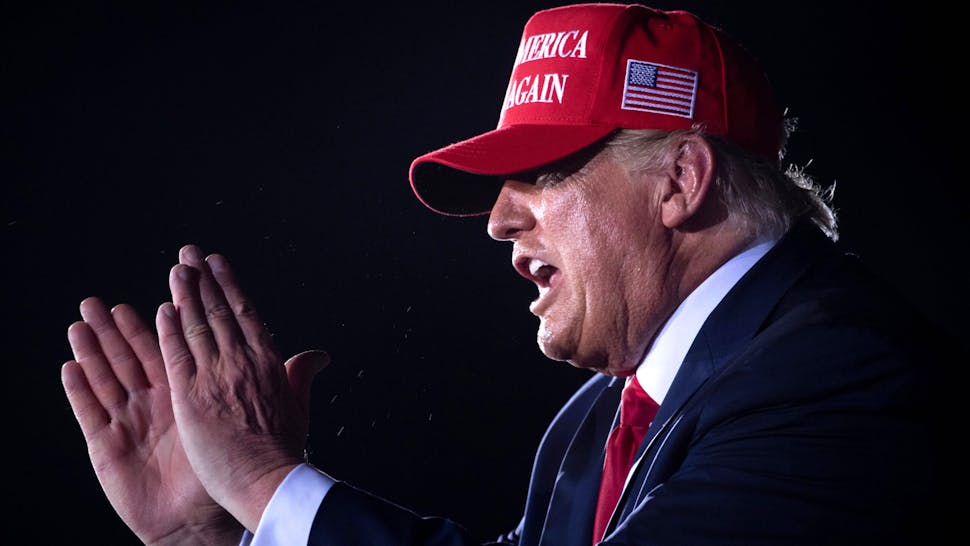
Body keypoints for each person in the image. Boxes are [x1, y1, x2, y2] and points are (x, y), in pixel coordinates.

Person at [61, 3, 961, 545]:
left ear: (681, 181)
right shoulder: (597, 420)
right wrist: (222, 531)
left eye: (547, 172)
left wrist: (265, 479)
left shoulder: (837, 374)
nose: (497, 219)